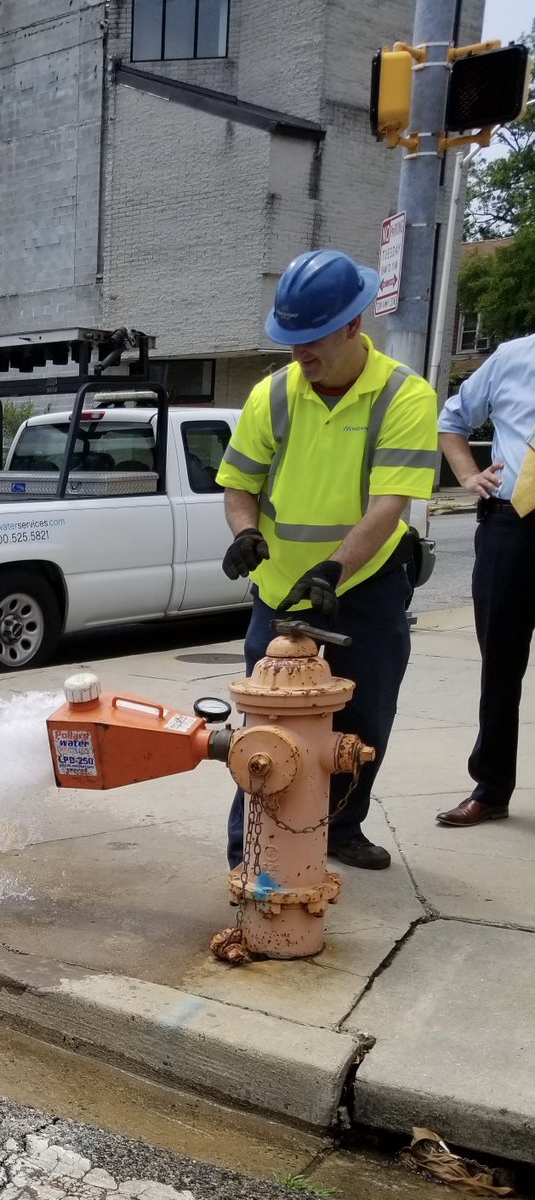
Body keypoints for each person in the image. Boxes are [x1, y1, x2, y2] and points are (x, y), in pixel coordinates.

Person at [215, 249, 438, 870]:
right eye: (291, 341)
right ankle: (250, 853)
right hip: (282, 588)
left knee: (363, 719)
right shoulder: (274, 394)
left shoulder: (403, 396)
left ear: (352, 325)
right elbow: (239, 484)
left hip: (362, 585)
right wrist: (243, 532)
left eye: (312, 340)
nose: (300, 354)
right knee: (267, 723)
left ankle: (338, 829)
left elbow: (389, 504)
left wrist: (335, 568)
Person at [435, 332, 535, 827]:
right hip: (510, 524)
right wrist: (468, 474)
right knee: (500, 665)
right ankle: (491, 789)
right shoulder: (513, 358)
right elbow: (452, 421)